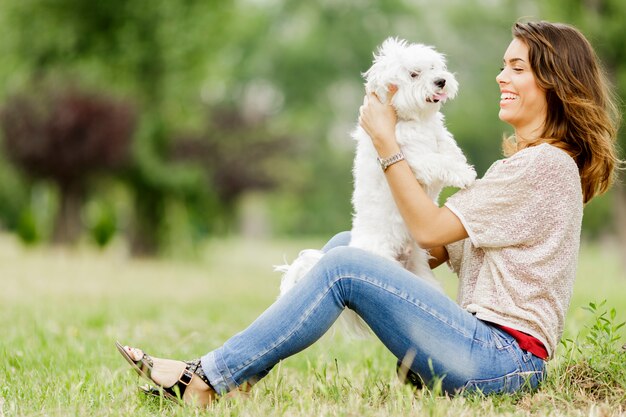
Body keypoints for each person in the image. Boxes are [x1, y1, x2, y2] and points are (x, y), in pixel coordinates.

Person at [116, 21, 621, 405]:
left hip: (501, 359)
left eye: (516, 67)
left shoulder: (545, 167)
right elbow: (436, 247)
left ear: (554, 83)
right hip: (485, 349)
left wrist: (386, 142)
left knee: (343, 267)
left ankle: (206, 379)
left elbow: (427, 228)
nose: (499, 76)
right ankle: (243, 374)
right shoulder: (531, 165)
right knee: (345, 248)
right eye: (504, 65)